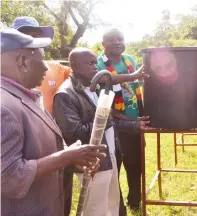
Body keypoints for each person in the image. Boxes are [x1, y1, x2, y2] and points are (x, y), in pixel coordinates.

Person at [1, 28, 106, 216]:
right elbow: (7, 177)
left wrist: (72, 158)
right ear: (23, 62)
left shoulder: (24, 96)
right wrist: (66, 157)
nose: (46, 68)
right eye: (41, 59)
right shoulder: (4, 107)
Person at [53, 47, 131, 215]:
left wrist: (133, 125)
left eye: (95, 62)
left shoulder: (93, 87)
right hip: (92, 161)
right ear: (73, 65)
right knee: (95, 208)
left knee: (111, 203)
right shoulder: (66, 95)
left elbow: (108, 124)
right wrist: (106, 118)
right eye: (90, 63)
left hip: (109, 156)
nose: (95, 67)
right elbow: (74, 133)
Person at [97, 28, 147, 213]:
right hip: (115, 123)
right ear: (103, 43)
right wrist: (134, 76)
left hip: (135, 122)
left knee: (136, 163)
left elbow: (137, 87)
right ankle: (117, 206)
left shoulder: (130, 60)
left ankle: (135, 199)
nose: (118, 42)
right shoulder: (98, 63)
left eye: (121, 39)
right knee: (115, 166)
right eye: (112, 39)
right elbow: (105, 80)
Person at [10, 16, 72, 114]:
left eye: (36, 37)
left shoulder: (56, 68)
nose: (33, 42)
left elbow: (81, 76)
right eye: (25, 37)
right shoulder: (5, 79)